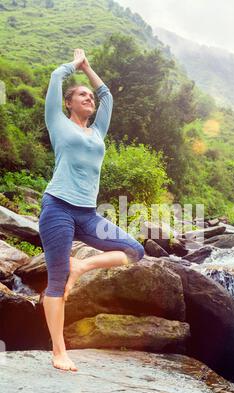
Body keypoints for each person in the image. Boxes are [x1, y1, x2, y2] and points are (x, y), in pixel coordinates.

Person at [39, 49, 145, 372]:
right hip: (58, 208)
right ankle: (59, 350)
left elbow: (107, 96)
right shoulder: (57, 122)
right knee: (56, 282)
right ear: (68, 103)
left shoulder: (97, 131)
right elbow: (57, 77)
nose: (89, 98)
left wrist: (88, 69)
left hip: (87, 215)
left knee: (134, 250)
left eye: (90, 96)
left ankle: (81, 267)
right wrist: (74, 65)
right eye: (81, 95)